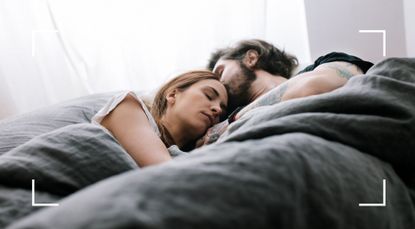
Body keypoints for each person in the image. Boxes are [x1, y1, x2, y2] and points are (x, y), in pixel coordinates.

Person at [197, 39, 373, 146]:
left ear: (251, 58)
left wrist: (231, 121)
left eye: (220, 72)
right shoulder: (222, 121)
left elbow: (313, 89)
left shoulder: (324, 63)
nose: (218, 85)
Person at [92, 70, 228, 167]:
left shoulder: (193, 153)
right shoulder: (128, 105)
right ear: (173, 95)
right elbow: (165, 173)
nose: (218, 109)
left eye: (222, 111)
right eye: (209, 95)